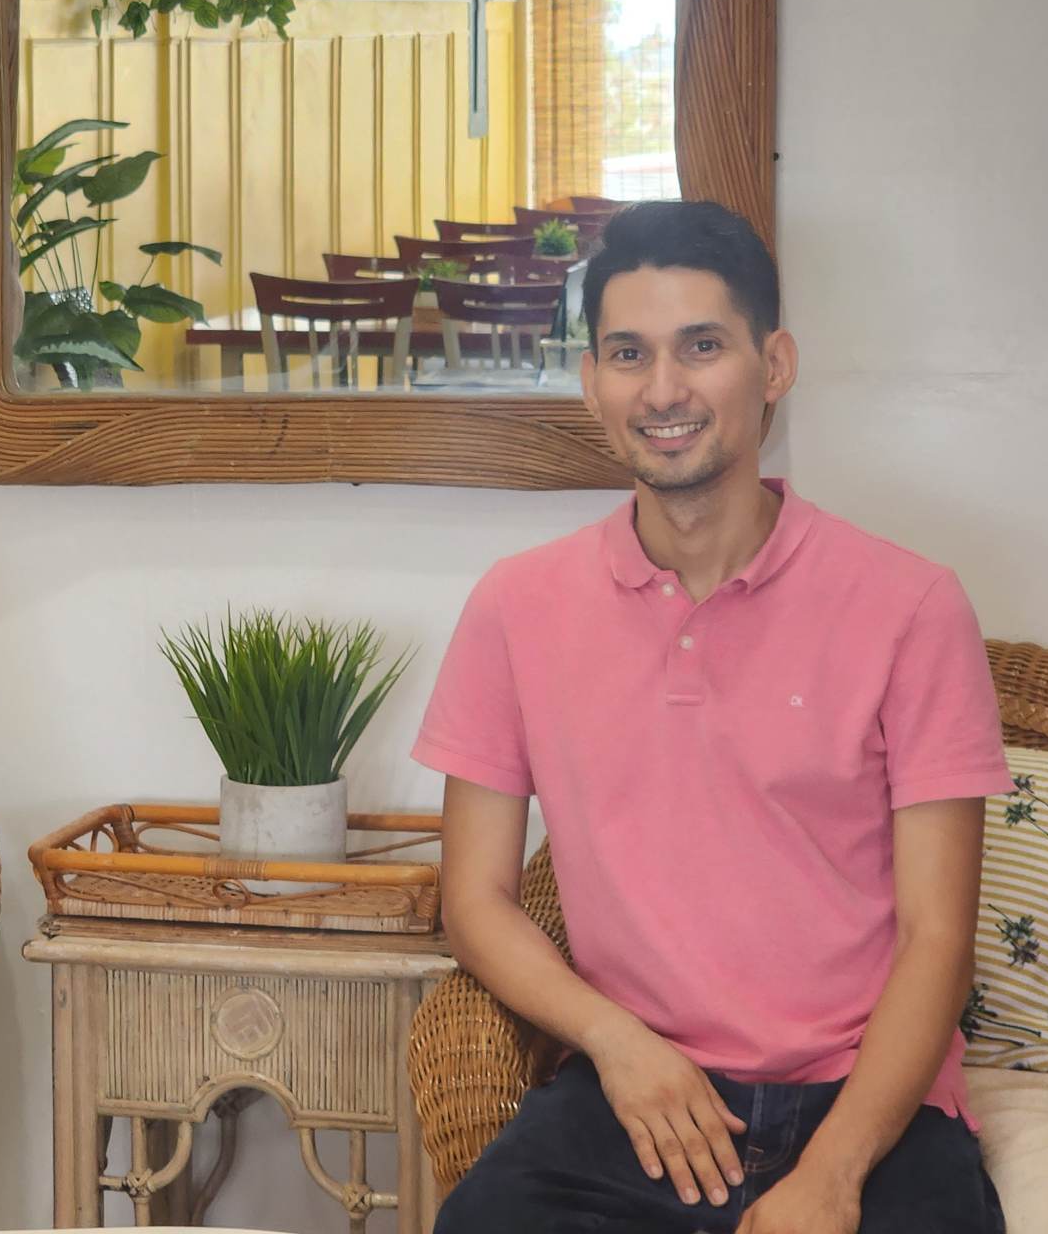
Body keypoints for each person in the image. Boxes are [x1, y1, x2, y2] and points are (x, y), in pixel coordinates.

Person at [418, 200, 1010, 1234]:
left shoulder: (910, 606)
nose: (661, 391)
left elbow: (935, 938)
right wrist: (616, 1044)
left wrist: (829, 1177)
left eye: (700, 347)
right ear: (589, 379)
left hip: (869, 1102)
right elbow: (474, 900)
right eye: (625, 353)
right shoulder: (515, 606)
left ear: (771, 364)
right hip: (630, 1093)